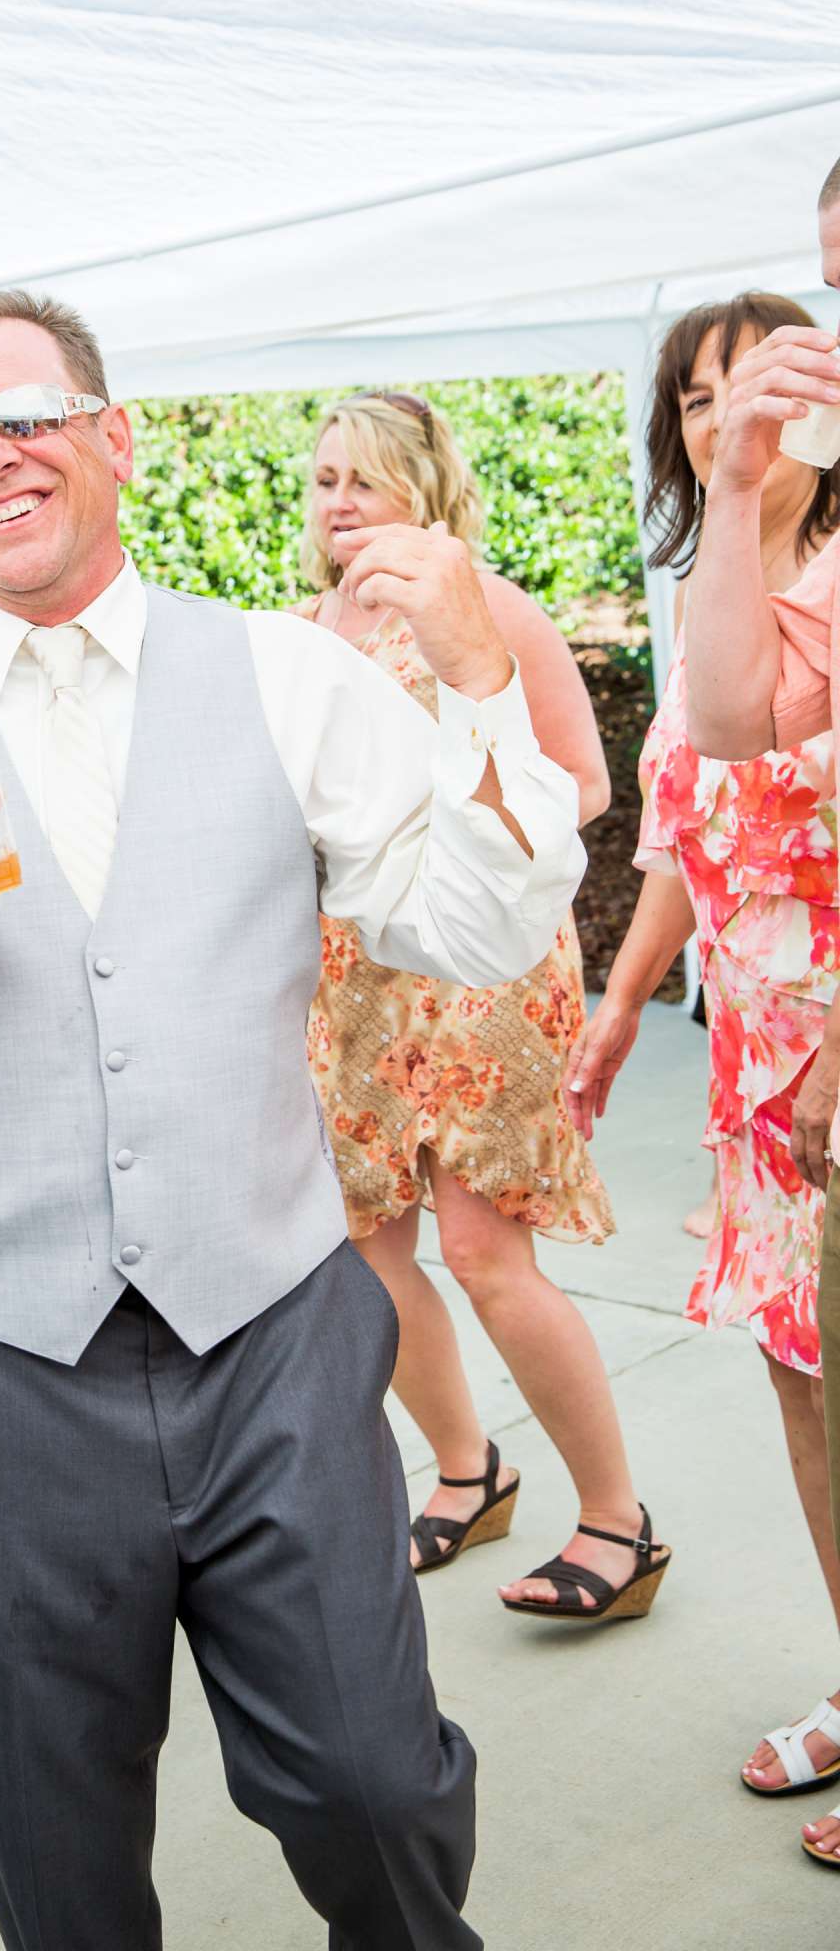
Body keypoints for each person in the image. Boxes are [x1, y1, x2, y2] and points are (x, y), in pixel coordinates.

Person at [0, 286, 594, 1950]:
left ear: (116, 438)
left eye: (24, 414)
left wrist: (474, 690)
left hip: (271, 1328)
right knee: (56, 1849)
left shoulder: (287, 675)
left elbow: (478, 922)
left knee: (372, 1783)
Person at [296, 394, 664, 1622]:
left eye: (367, 479)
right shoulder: (303, 631)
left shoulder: (484, 607)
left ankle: (619, 1523)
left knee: (482, 1250)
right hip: (351, 981)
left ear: (426, 486)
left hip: (480, 975)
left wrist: (445, 852)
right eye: (325, 480)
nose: (339, 502)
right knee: (364, 1253)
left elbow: (589, 788)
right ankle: (469, 1472)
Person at [571, 295, 840, 1772]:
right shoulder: (713, 588)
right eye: (695, 399)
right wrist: (621, 1009)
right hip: (755, 1065)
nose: (729, 413)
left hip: (836, 1050)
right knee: (802, 1384)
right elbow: (692, 826)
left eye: (762, 380)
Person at [682, 168, 840, 1867]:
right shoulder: (803, 551)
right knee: (810, 1380)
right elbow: (722, 723)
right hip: (771, 1049)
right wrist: (739, 497)